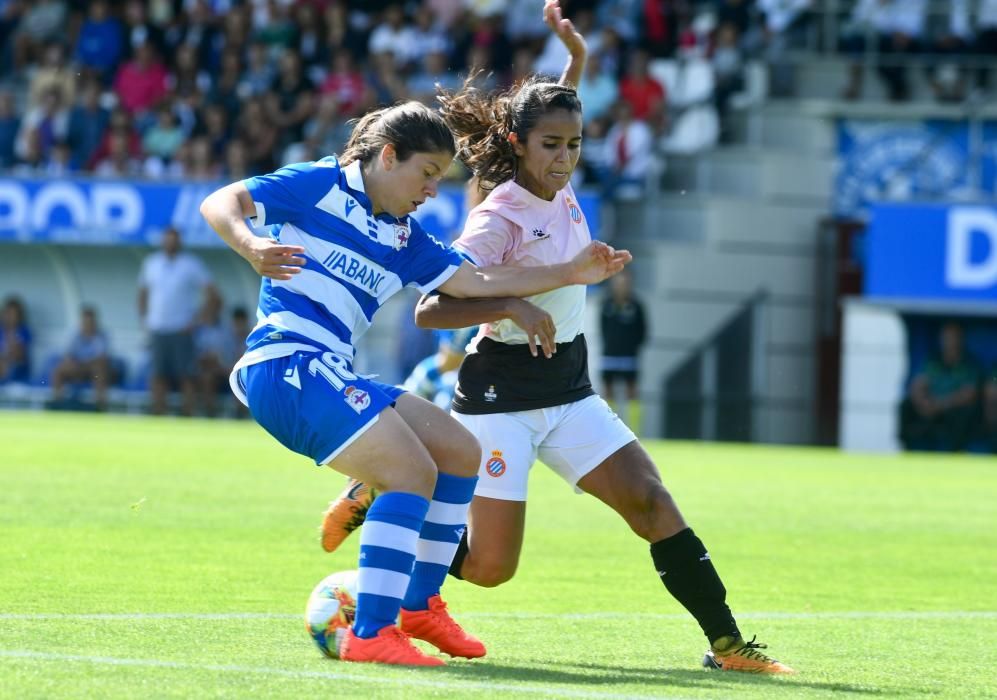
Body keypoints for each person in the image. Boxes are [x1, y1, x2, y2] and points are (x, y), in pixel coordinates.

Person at [320, 0, 793, 676]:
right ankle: (383, 498)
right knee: (488, 571)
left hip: (568, 386)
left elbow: (551, 111)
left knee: (650, 502)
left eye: (574, 144)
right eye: (552, 146)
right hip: (499, 397)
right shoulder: (499, 214)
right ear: (518, 146)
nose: (566, 158)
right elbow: (430, 310)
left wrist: (574, 57)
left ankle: (728, 646)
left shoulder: (552, 175)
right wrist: (517, 299)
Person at [199, 97, 630, 667]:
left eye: (441, 179)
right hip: (286, 366)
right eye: (426, 175)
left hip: (331, 370)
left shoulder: (403, 237)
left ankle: (419, 606)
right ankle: (372, 632)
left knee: (458, 451)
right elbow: (221, 200)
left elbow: (472, 279)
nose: (432, 191)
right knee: (409, 473)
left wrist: (566, 274)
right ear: (387, 155)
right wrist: (251, 244)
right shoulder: (319, 183)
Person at [137, 226, 218, 416]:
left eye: (174, 239)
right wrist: (145, 320)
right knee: (158, 375)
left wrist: (197, 320)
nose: (170, 243)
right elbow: (142, 293)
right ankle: (158, 414)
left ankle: (187, 415)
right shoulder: (152, 263)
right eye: (167, 239)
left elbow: (212, 294)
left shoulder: (191, 264)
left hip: (182, 329)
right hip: (157, 328)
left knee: (187, 376)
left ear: (180, 242)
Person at [899, 321, 981, 452]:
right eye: (947, 338)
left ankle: (956, 452)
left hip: (951, 409)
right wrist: (923, 403)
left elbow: (969, 394)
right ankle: (908, 449)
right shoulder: (933, 361)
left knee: (964, 414)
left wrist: (941, 405)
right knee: (905, 405)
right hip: (929, 406)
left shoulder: (969, 364)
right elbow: (918, 384)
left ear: (961, 339)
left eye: (954, 338)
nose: (950, 342)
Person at [600, 269, 647, 435]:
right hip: (610, 355)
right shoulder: (606, 304)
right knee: (608, 391)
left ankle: (635, 432)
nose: (621, 286)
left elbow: (643, 331)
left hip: (629, 356)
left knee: (632, 391)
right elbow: (603, 328)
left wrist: (633, 348)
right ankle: (609, 431)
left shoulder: (636, 306)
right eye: (618, 282)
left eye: (624, 282)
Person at [48, 305, 114, 410]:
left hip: (93, 371)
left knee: (99, 371)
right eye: (85, 322)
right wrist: (74, 362)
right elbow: (67, 355)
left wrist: (83, 364)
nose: (88, 325)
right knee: (58, 370)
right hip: (77, 368)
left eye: (90, 322)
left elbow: (101, 359)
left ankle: (100, 406)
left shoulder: (101, 336)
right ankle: (57, 403)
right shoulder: (74, 335)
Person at [0, 295, 31, 384]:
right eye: (8, 314)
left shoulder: (24, 331)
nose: (11, 317)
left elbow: (20, 354)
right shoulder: (1, 330)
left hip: (18, 367)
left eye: (14, 314)